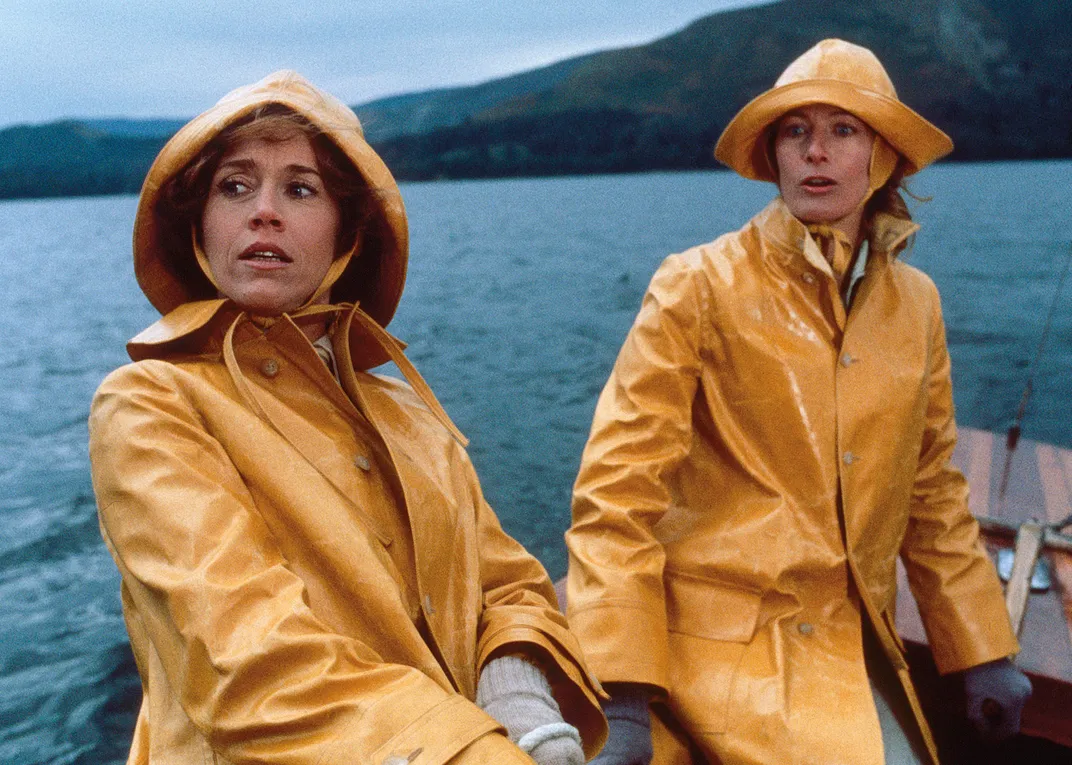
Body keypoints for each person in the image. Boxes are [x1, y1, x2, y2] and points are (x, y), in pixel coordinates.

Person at [89, 70, 606, 765]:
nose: (262, 212)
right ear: (198, 224)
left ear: (346, 234)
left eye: (300, 189)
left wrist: (520, 700)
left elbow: (508, 585)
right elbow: (246, 663)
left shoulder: (407, 413)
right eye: (234, 186)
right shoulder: (150, 403)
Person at [564, 39, 1031, 765]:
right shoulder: (697, 285)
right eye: (796, 131)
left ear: (882, 156)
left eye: (843, 130)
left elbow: (932, 491)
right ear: (775, 155)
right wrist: (620, 690)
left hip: (855, 639)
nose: (817, 152)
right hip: (719, 658)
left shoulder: (917, 304)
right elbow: (615, 495)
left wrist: (979, 649)